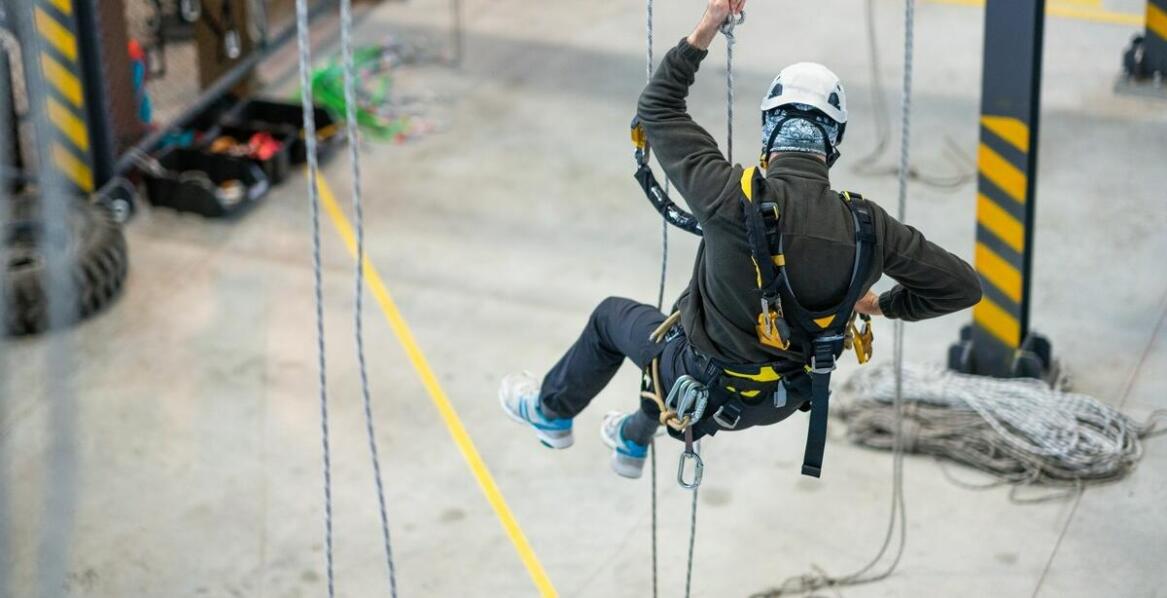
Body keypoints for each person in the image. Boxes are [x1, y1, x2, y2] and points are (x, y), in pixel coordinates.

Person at [501, 0, 982, 479]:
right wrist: (882, 305)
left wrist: (709, 25)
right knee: (681, 316)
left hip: (702, 388)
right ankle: (631, 438)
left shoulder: (728, 195)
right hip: (784, 398)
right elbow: (961, 287)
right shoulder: (869, 227)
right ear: (834, 143)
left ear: (769, 130)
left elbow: (657, 107)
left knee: (618, 319)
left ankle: (551, 413)